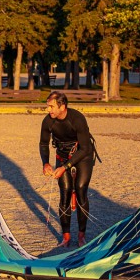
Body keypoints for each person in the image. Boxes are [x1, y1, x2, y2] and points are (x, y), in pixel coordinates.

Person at [39, 91, 97, 248]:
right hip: (62, 155)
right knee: (65, 192)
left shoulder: (77, 119)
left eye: (51, 106)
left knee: (80, 189)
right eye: (48, 106)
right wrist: (45, 163)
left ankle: (81, 236)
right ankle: (66, 237)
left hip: (82, 155)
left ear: (62, 106)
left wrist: (65, 168)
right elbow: (43, 144)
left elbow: (85, 149)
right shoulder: (48, 121)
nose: (49, 110)